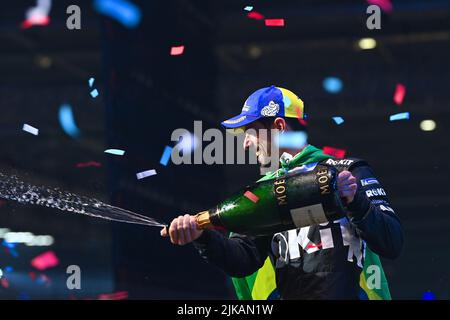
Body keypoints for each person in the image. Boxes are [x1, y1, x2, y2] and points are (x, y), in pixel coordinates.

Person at [161, 85, 403, 300]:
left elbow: (392, 242)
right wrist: (201, 237)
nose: (246, 143)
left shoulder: (349, 171)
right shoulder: (263, 193)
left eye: (251, 131)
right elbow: (244, 259)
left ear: (278, 126)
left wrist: (355, 201)